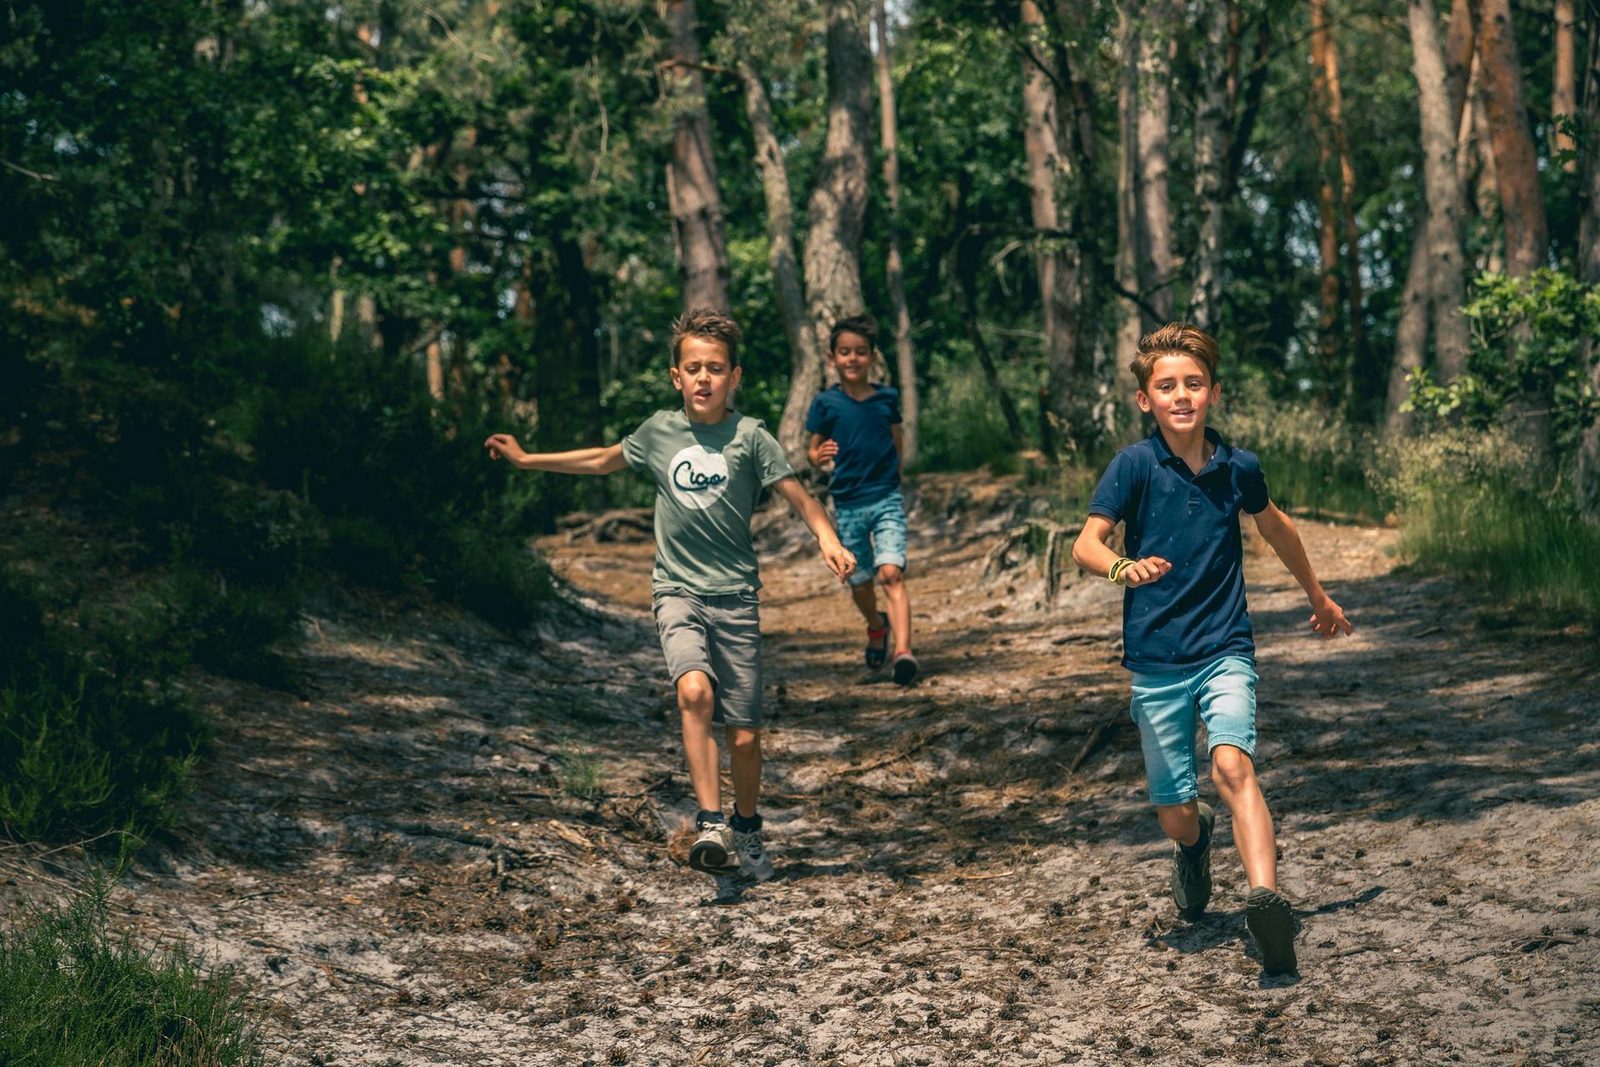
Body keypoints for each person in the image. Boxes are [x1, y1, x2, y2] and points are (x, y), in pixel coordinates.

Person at [485, 308, 855, 889]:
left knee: (746, 735)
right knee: (692, 692)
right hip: (676, 590)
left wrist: (828, 538)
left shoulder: (750, 436)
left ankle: (748, 826)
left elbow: (798, 497)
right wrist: (530, 458)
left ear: (734, 377)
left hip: (735, 598)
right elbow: (605, 458)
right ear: (675, 376)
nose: (704, 378)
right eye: (693, 368)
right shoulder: (659, 431)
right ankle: (711, 824)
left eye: (715, 368)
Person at [1071, 323, 1353, 976]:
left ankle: (1264, 897)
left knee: (1233, 766)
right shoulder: (1134, 466)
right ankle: (1194, 845)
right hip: (1155, 661)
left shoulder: (1238, 467)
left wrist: (1317, 594)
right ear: (1145, 398)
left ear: (1213, 393)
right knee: (1175, 812)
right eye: (1166, 385)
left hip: (1226, 646)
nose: (1181, 395)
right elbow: (1087, 542)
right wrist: (1121, 568)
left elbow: (1276, 526)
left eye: (1193, 385)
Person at [805, 315, 918, 686]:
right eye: (844, 352)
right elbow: (812, 449)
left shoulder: (887, 398)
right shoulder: (826, 403)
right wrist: (819, 456)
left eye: (860, 352)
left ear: (872, 357)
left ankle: (904, 653)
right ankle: (875, 626)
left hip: (885, 496)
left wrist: (895, 471)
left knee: (891, 573)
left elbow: (896, 436)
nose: (852, 359)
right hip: (848, 502)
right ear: (832, 358)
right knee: (860, 581)